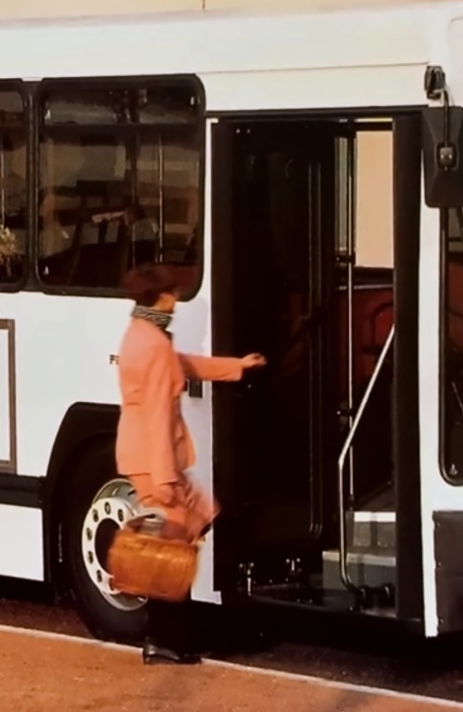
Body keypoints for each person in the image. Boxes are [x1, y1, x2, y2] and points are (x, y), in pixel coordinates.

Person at [114, 263, 265, 665]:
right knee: (173, 551)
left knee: (176, 542)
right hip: (156, 460)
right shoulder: (155, 345)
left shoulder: (139, 336)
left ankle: (165, 636)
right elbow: (160, 415)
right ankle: (165, 638)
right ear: (159, 297)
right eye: (172, 293)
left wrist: (235, 367)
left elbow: (182, 364)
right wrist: (166, 476)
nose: (177, 300)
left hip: (141, 453)